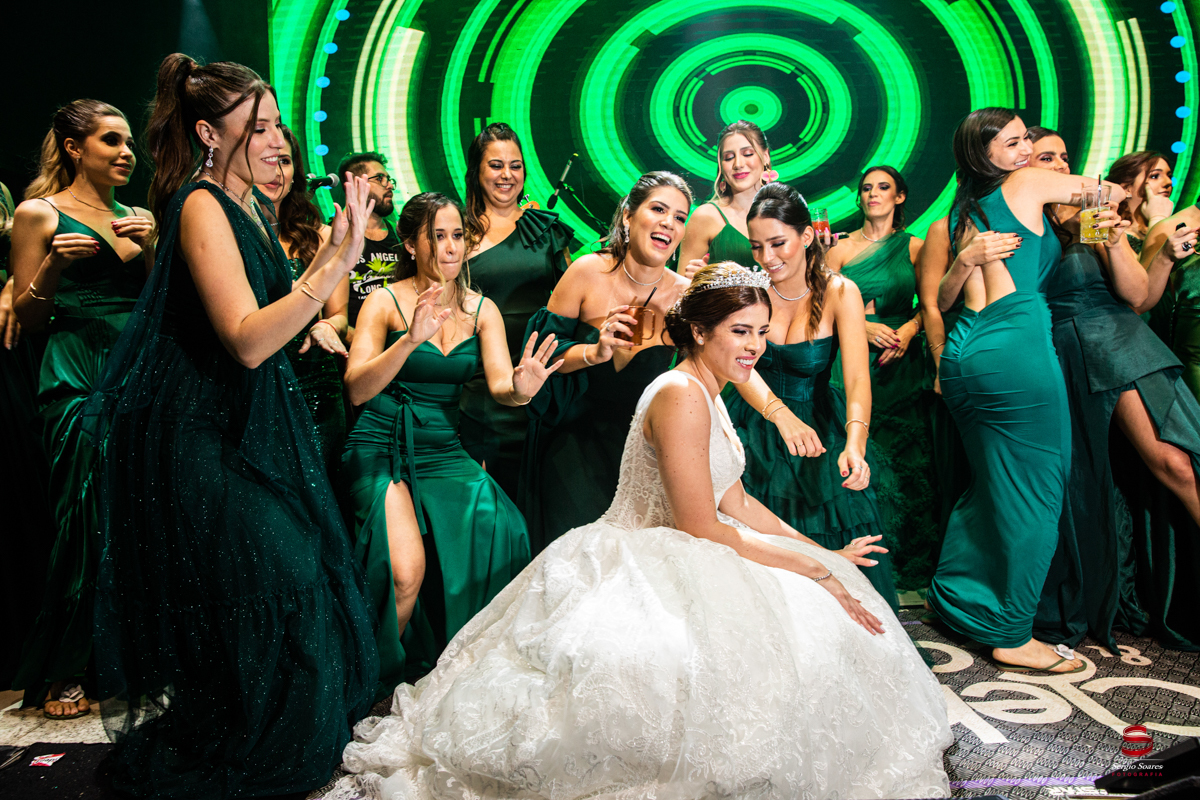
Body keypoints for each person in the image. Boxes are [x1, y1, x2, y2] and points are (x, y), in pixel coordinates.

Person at [328, 262, 952, 800]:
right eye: (740, 332)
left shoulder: (711, 389)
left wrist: (821, 552)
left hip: (699, 545)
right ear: (700, 331)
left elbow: (736, 499)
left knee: (820, 626)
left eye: (762, 332)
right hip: (653, 556)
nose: (756, 347)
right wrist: (810, 568)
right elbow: (702, 523)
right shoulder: (680, 392)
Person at [82, 54, 377, 797]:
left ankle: (269, 736)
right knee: (278, 574)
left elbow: (276, 314)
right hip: (201, 432)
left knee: (295, 570)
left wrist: (329, 267)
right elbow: (246, 339)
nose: (278, 140)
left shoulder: (250, 208)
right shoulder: (201, 205)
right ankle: (253, 743)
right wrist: (333, 267)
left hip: (246, 425)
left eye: (279, 125)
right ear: (210, 134)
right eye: (259, 127)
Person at [931, 107, 1126, 673]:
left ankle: (962, 602)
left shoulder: (963, 209)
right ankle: (1012, 635)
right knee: (1038, 491)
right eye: (1014, 142)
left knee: (990, 489)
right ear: (984, 153)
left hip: (966, 349)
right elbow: (1112, 191)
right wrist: (1092, 200)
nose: (1025, 150)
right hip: (1015, 345)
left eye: (1025, 142)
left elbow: (943, 301)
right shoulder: (1027, 183)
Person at [342, 192, 557, 696]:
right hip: (382, 446)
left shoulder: (482, 309)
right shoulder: (384, 301)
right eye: (437, 236)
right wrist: (409, 340)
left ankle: (462, 669)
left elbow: (503, 387)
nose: (451, 247)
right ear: (411, 244)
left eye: (458, 235)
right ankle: (365, 684)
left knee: (505, 528)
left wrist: (523, 388)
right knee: (405, 573)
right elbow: (356, 389)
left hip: (443, 449)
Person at [1026, 134, 1200, 651]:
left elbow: (1137, 297)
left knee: (1176, 462)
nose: (1061, 165)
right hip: (1060, 356)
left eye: (1064, 156)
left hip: (1116, 343)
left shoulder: (1091, 216)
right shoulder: (1022, 222)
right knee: (1104, 482)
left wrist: (1120, 240)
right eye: (1046, 158)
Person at [9, 100, 153, 720]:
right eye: (111, 141)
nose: (127, 153)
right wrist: (54, 264)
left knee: (137, 515)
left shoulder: (140, 217)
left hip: (136, 373)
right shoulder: (38, 213)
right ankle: (68, 668)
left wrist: (153, 251)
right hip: (75, 370)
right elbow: (28, 317)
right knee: (82, 516)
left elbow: (161, 307)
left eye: (129, 143)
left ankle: (132, 661)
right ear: (74, 148)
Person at [726, 181, 899, 610]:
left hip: (820, 430)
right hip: (753, 426)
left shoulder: (840, 291)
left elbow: (857, 380)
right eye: (757, 246)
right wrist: (779, 414)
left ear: (806, 236)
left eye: (777, 243)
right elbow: (737, 368)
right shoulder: (750, 290)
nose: (767, 258)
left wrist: (855, 444)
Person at [520, 171, 693, 554]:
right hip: (572, 451)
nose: (669, 222)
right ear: (628, 216)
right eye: (659, 209)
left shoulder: (685, 297)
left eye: (680, 217)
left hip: (643, 459)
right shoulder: (587, 271)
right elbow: (542, 358)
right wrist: (593, 352)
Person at [825, 165, 939, 595]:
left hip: (901, 364)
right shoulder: (839, 249)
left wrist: (909, 330)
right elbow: (821, 308)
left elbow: (933, 303)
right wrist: (862, 326)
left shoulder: (917, 246)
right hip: (851, 358)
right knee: (860, 457)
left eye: (883, 187)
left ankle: (909, 564)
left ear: (900, 196)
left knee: (907, 461)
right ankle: (866, 562)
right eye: (867, 188)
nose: (873, 194)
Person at [458, 123, 573, 503]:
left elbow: (576, 295)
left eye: (515, 165)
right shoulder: (456, 231)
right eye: (496, 165)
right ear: (476, 171)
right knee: (490, 502)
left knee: (540, 496)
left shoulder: (547, 229)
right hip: (478, 386)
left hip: (540, 379)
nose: (507, 175)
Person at [257, 126, 349, 471]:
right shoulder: (232, 233)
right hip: (257, 377)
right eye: (268, 159)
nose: (277, 171)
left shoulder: (322, 235)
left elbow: (339, 314)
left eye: (285, 161)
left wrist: (328, 326)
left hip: (315, 379)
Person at [678, 120, 773, 276]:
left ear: (765, 156)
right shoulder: (705, 217)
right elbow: (681, 285)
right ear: (721, 165)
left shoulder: (786, 212)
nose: (738, 164)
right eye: (728, 157)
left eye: (747, 154)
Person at [340, 150, 402, 334]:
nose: (390, 186)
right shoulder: (333, 238)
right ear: (356, 185)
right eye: (380, 178)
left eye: (389, 179)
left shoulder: (401, 236)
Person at [1107, 150, 1174, 254]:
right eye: (1155, 176)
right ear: (1126, 188)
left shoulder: (1174, 229)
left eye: (1169, 176)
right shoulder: (1115, 233)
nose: (1168, 182)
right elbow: (1149, 264)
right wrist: (1157, 218)